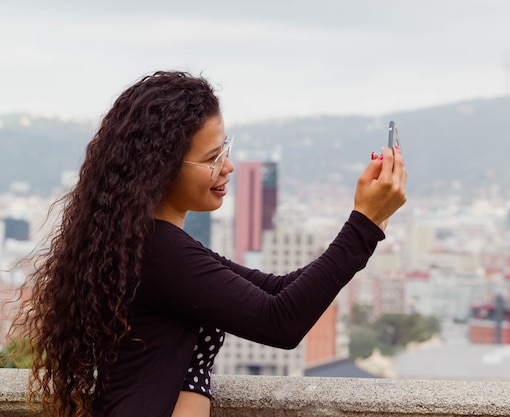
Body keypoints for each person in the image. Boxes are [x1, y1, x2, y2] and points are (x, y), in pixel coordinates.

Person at [10, 71, 407, 417]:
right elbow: (281, 322)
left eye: (226, 150)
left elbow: (276, 289)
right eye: (213, 157)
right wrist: (362, 225)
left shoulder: (148, 244)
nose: (228, 167)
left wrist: (368, 225)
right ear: (161, 168)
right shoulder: (158, 251)